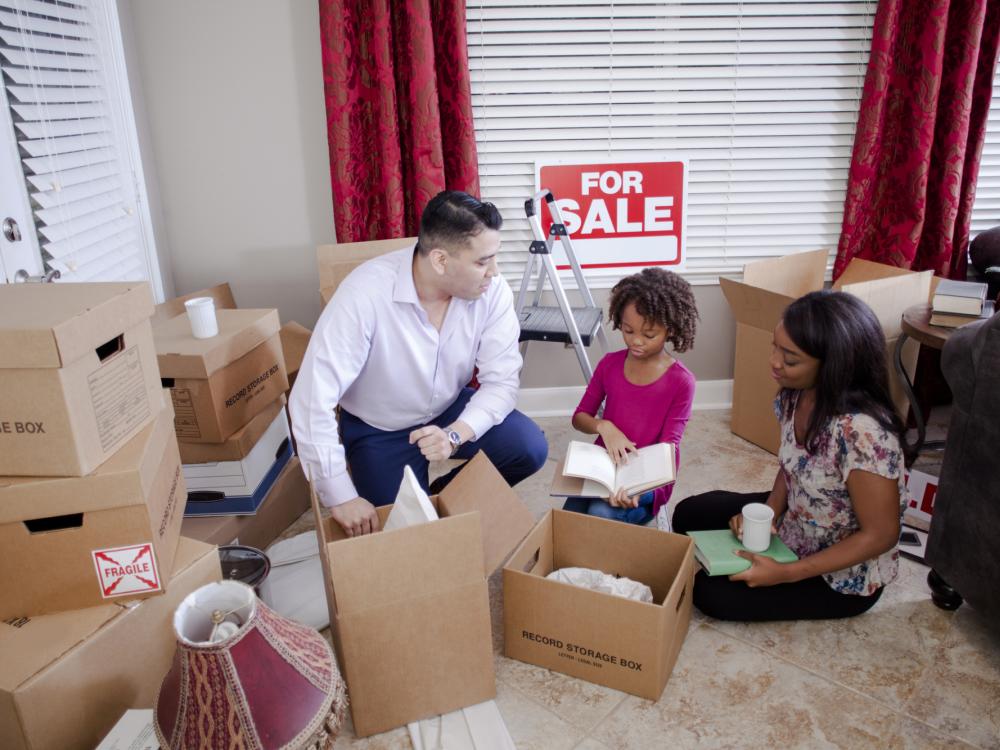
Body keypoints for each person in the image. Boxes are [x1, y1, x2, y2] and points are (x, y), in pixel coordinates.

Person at [290, 190, 548, 537]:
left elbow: (501, 382)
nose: (494, 272)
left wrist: (455, 435)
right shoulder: (363, 296)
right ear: (441, 260)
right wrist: (339, 495)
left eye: (494, 257)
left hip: (448, 409)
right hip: (379, 427)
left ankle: (441, 501)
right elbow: (310, 400)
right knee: (400, 532)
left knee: (529, 447)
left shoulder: (492, 290)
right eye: (482, 261)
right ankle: (422, 510)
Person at [672, 290, 910, 621]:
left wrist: (786, 573)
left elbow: (881, 534)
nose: (774, 362)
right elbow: (792, 465)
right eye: (775, 347)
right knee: (688, 514)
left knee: (710, 594)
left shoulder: (863, 434)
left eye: (790, 358)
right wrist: (768, 512)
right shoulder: (795, 396)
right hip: (798, 517)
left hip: (838, 573)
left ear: (834, 365)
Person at [563, 267, 698, 526]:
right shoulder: (609, 365)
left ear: (669, 330)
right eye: (628, 330)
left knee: (600, 515)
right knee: (569, 516)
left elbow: (669, 449)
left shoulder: (681, 381)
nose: (636, 341)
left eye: (649, 335)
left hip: (649, 479)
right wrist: (604, 426)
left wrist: (639, 487)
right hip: (604, 468)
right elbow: (580, 417)